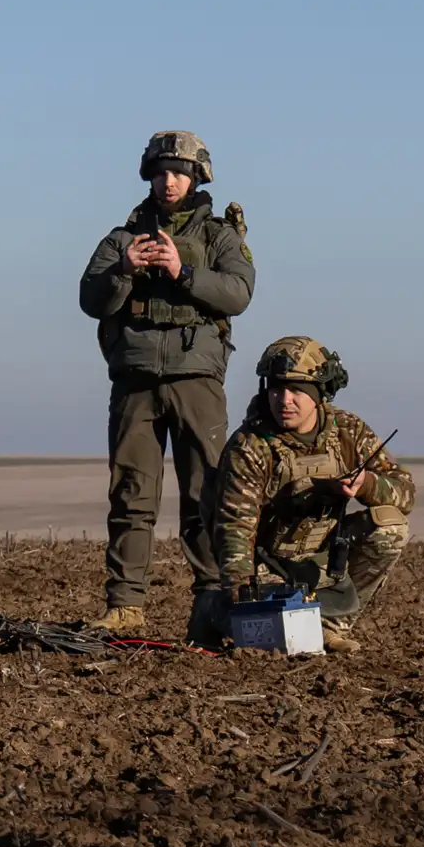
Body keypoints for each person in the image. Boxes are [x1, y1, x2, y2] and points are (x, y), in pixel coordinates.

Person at [78, 130, 254, 640]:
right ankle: (125, 605)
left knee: (206, 492)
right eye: (160, 172)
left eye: (178, 172)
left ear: (196, 176)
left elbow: (238, 293)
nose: (168, 181)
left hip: (196, 376)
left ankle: (213, 602)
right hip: (134, 377)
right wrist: (125, 272)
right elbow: (91, 298)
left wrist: (182, 271)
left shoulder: (221, 236)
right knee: (131, 493)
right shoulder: (122, 237)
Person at [212, 336, 414, 652]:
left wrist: (367, 484)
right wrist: (241, 597)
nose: (284, 400)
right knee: (277, 640)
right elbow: (235, 529)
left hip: (325, 556)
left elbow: (405, 492)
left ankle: (332, 627)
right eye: (277, 389)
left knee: (390, 525)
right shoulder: (250, 446)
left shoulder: (349, 431)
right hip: (269, 566)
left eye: (296, 390)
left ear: (318, 395)